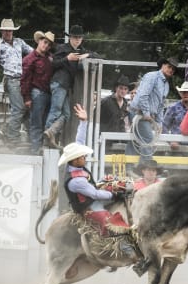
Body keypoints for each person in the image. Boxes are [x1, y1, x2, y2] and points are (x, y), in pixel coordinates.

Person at [58, 103, 137, 259]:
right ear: (74, 160)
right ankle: (130, 253)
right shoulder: (76, 181)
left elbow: (79, 140)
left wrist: (84, 121)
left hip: (91, 196)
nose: (85, 157)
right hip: (88, 207)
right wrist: (114, 195)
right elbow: (94, 194)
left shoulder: (76, 166)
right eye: (82, 156)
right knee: (111, 224)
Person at [43, 25, 100, 148]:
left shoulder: (82, 51)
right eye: (75, 37)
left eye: (79, 37)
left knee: (67, 114)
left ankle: (50, 133)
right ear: (70, 38)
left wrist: (88, 56)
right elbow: (53, 65)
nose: (77, 39)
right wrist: (67, 58)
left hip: (65, 86)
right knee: (56, 111)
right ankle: (46, 140)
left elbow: (99, 56)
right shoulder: (62, 48)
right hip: (59, 83)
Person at [0, 18, 34, 147]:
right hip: (11, 79)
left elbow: (32, 53)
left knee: (26, 107)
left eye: (10, 30)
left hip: (23, 79)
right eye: (5, 31)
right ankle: (13, 137)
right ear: (2, 31)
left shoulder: (19, 42)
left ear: (13, 31)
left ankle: (7, 130)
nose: (8, 33)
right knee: (19, 108)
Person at [128, 57, 179, 162]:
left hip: (146, 115)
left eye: (173, 69)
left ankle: (130, 168)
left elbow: (161, 105)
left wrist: (159, 122)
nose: (171, 70)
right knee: (148, 138)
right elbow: (143, 95)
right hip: (139, 113)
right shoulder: (152, 76)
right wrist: (146, 113)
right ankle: (147, 167)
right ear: (163, 65)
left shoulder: (166, 85)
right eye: (169, 67)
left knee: (136, 140)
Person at [20, 30, 55, 155]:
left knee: (46, 123)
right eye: (44, 42)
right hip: (37, 93)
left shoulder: (50, 58)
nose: (46, 46)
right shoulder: (29, 59)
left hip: (48, 94)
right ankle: (35, 152)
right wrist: (27, 98)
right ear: (39, 41)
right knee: (36, 124)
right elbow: (24, 80)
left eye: (49, 44)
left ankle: (42, 150)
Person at [162, 81, 188, 150]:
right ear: (180, 93)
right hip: (176, 145)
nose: (186, 94)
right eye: (184, 92)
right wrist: (170, 141)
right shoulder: (173, 108)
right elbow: (164, 125)